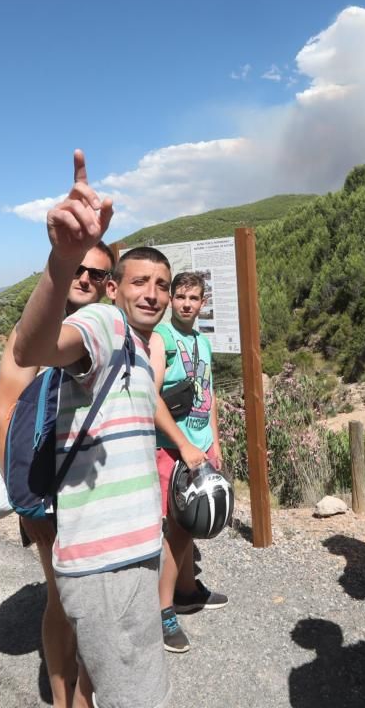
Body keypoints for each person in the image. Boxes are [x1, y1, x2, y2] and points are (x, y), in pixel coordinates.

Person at [11, 150, 171, 708]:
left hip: (126, 552)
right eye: (139, 282)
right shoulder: (104, 326)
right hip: (108, 560)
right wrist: (62, 261)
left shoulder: (141, 349)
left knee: (104, 681)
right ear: (113, 290)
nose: (152, 293)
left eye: (163, 285)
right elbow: (33, 348)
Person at [0, 239, 114, 708]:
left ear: (107, 283)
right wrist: (25, 507)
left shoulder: (100, 331)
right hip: (50, 500)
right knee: (63, 604)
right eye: (77, 268)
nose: (84, 278)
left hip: (96, 496)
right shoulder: (34, 333)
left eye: (96, 273)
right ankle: (68, 702)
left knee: (95, 603)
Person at [149, 272, 228, 654]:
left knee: (191, 525)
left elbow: (207, 392)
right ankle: (165, 611)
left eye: (193, 298)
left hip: (200, 446)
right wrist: (183, 445)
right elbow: (152, 396)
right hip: (172, 448)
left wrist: (214, 441)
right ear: (171, 299)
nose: (185, 304)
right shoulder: (162, 338)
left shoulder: (202, 342)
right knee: (176, 530)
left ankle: (186, 590)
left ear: (203, 302)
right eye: (179, 296)